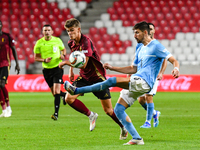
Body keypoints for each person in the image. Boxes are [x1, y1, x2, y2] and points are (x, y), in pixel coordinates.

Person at [64, 21, 180, 145]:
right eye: (134, 33)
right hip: (137, 79)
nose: (134, 35)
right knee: (118, 109)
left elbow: (173, 59)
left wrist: (176, 68)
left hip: (144, 82)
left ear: (145, 32)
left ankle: (77, 91)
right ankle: (136, 138)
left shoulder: (156, 45)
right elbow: (133, 68)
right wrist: (113, 68)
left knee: (112, 81)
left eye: (137, 33)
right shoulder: (139, 47)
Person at [59, 18, 128, 139]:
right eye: (68, 31)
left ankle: (123, 127)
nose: (70, 33)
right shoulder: (71, 43)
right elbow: (74, 57)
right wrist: (71, 70)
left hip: (98, 78)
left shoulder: (86, 42)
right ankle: (91, 115)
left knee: (108, 110)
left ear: (79, 30)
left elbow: (83, 64)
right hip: (84, 77)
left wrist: (65, 63)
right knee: (68, 98)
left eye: (72, 30)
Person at [34, 24, 67, 120]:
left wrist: (63, 55)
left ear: (52, 32)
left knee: (56, 91)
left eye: (49, 30)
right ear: (43, 32)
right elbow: (36, 57)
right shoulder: (39, 43)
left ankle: (56, 114)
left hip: (57, 68)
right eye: (45, 30)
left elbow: (63, 49)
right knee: (54, 93)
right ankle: (64, 95)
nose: (47, 32)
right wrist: (44, 60)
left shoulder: (57, 40)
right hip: (47, 70)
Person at [138, 22, 167, 128]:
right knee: (141, 100)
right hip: (141, 75)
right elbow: (136, 59)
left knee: (148, 96)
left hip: (153, 75)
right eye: (148, 28)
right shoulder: (141, 44)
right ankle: (155, 113)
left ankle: (147, 122)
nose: (150, 30)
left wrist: (161, 72)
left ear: (154, 31)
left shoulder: (156, 44)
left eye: (151, 29)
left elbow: (165, 59)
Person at [0, 20, 20, 117]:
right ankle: (4, 109)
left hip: (5, 64)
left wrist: (17, 63)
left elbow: (14, 49)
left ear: (1, 25)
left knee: (2, 84)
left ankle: (8, 108)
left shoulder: (7, 36)